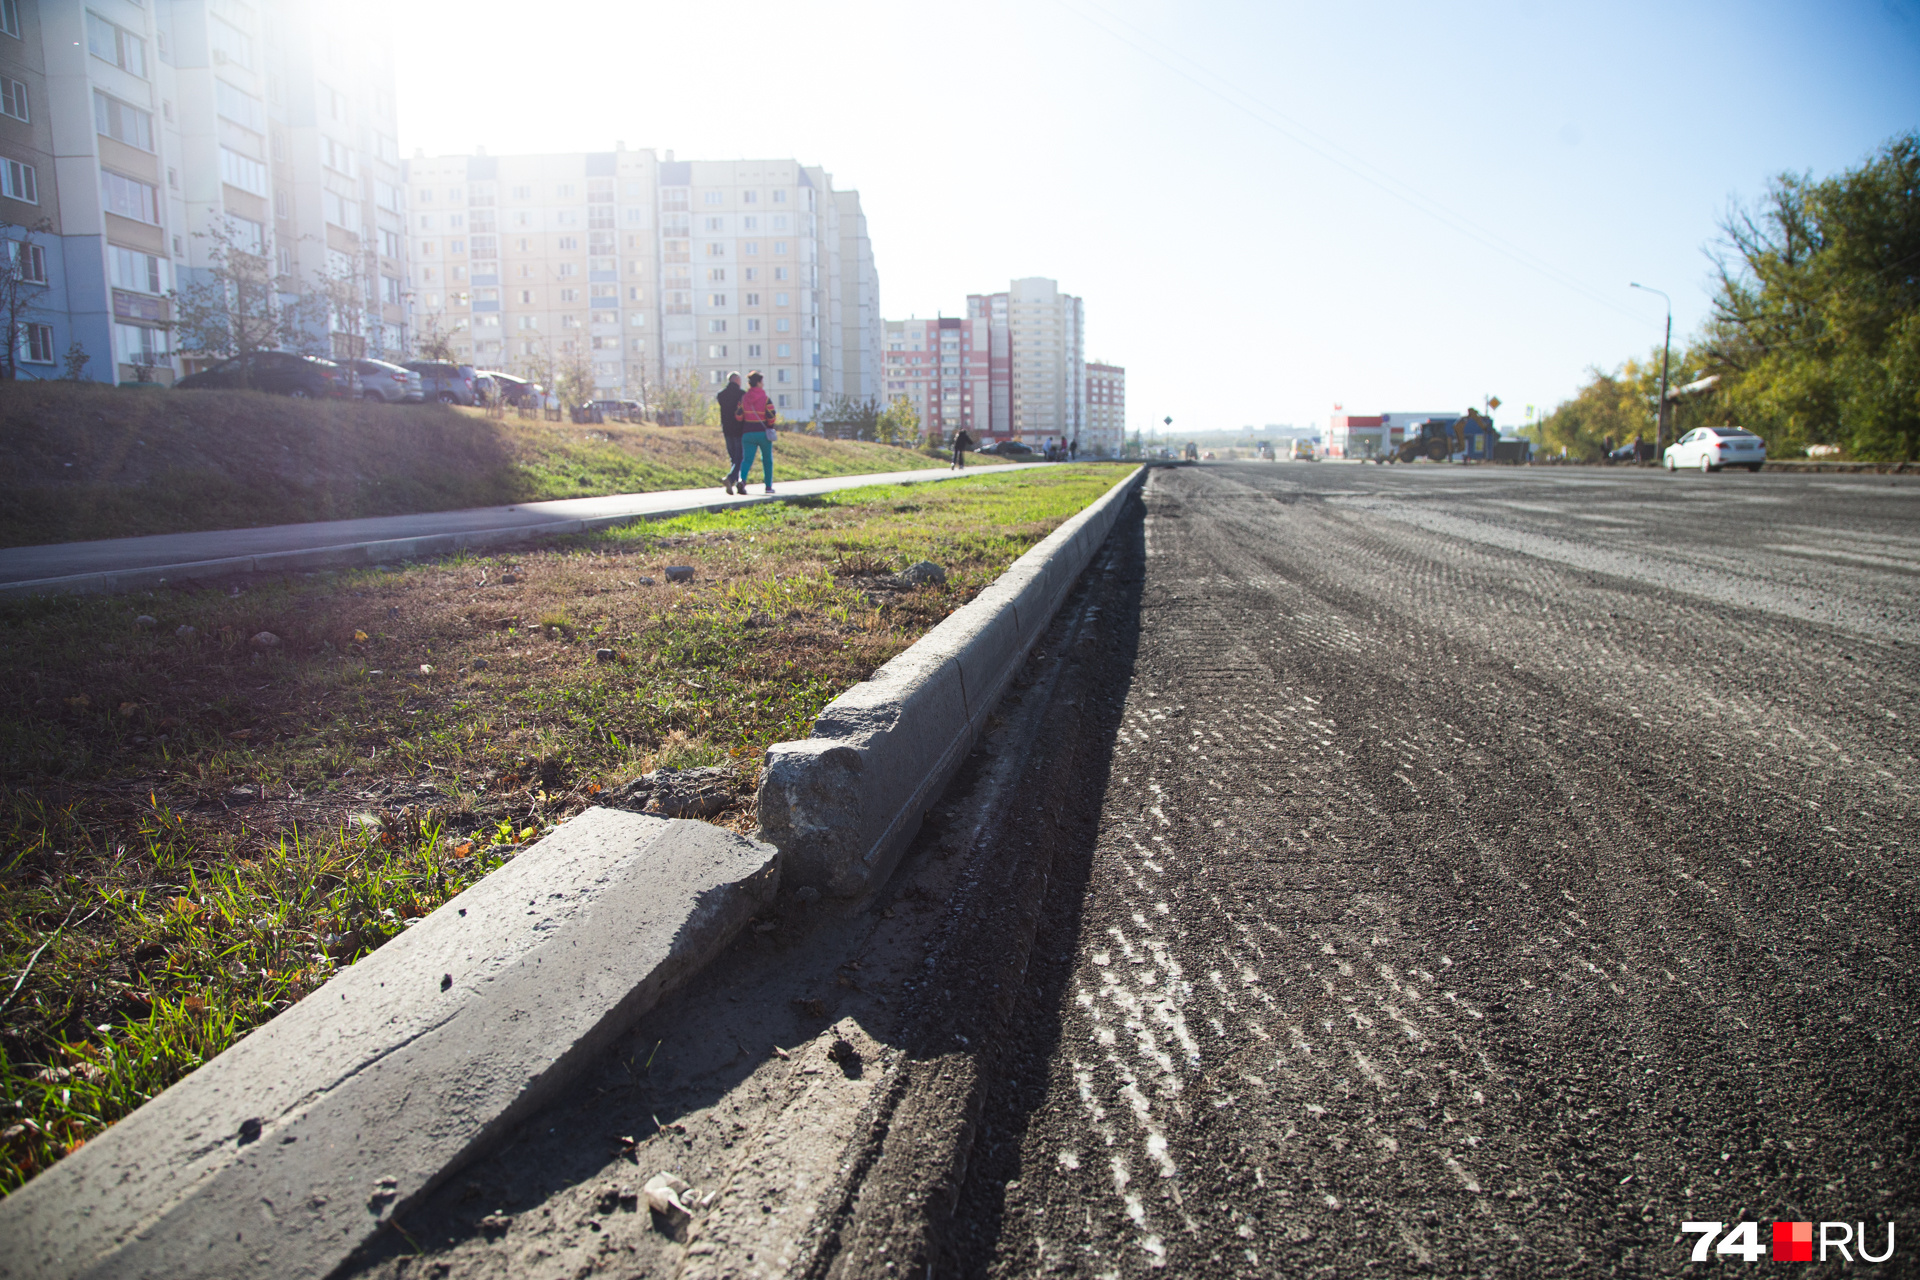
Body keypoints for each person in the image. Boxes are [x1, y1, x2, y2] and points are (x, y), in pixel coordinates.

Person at [736, 371, 775, 493]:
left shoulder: (743, 398)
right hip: (763, 433)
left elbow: (738, 416)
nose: (763, 384)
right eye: (762, 381)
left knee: (746, 460)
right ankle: (768, 487)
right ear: (758, 383)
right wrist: (770, 425)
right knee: (767, 460)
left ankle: (742, 480)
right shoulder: (765, 399)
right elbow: (772, 416)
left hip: (747, 433)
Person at [716, 372, 746, 493]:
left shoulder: (721, 395)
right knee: (740, 457)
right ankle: (731, 478)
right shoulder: (742, 394)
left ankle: (736, 483)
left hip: (727, 429)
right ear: (737, 380)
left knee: (733, 457)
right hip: (739, 429)